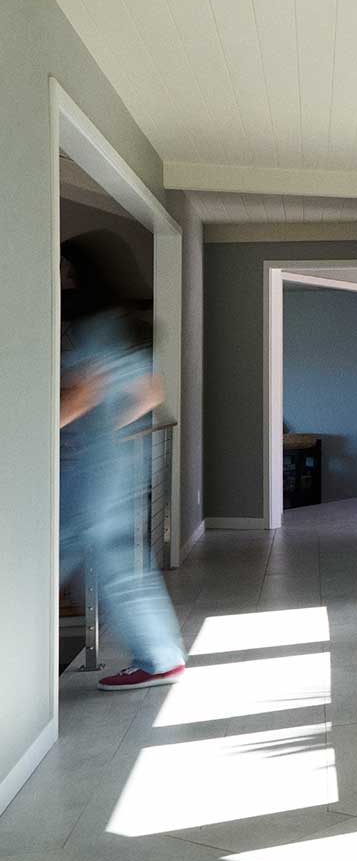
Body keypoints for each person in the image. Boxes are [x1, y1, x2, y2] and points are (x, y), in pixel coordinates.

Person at [60, 231, 185, 690]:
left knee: (59, 548)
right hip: (120, 460)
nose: (61, 277)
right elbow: (150, 393)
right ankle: (160, 656)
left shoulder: (91, 330)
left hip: (91, 467)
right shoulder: (123, 325)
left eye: (65, 269)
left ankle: (158, 657)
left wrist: (49, 431)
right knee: (115, 560)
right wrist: (112, 432)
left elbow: (82, 395)